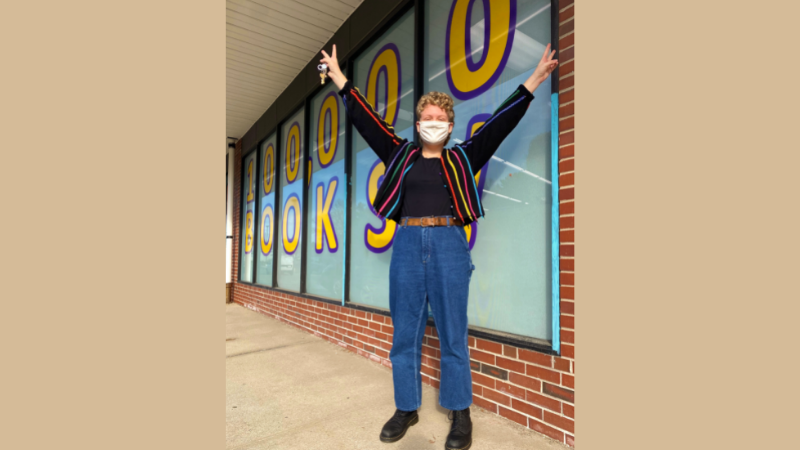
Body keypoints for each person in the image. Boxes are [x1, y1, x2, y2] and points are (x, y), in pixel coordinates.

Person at [319, 43, 558, 450]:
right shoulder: (400, 154)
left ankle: (459, 411)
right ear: (418, 124)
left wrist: (534, 80)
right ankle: (406, 407)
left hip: (449, 243)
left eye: (441, 119)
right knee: (405, 333)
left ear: (449, 126)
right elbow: (365, 119)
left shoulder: (463, 158)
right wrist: (339, 77)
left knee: (452, 333)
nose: (434, 123)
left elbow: (500, 124)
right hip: (407, 243)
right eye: (427, 118)